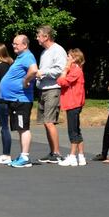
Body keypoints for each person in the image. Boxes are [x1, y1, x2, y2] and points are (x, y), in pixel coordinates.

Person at [0, 35, 38, 168]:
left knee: (23, 128)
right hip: (15, 99)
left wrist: (26, 81)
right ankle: (22, 155)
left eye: (16, 44)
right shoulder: (21, 58)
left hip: (21, 99)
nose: (13, 46)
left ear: (25, 45)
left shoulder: (28, 56)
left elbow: (34, 70)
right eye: (13, 43)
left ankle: (25, 157)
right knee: (20, 128)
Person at [35, 26, 66, 164]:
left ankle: (57, 153)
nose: (37, 38)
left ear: (46, 37)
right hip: (43, 88)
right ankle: (52, 151)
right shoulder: (44, 52)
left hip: (53, 88)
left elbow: (60, 69)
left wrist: (43, 72)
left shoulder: (58, 50)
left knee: (49, 121)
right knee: (45, 122)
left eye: (38, 35)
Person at [57, 49, 86, 167]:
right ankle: (81, 156)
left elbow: (62, 82)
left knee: (72, 130)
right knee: (76, 130)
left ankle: (73, 156)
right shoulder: (74, 70)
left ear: (74, 58)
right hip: (72, 103)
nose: (66, 58)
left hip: (74, 103)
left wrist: (65, 69)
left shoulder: (75, 70)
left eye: (68, 56)